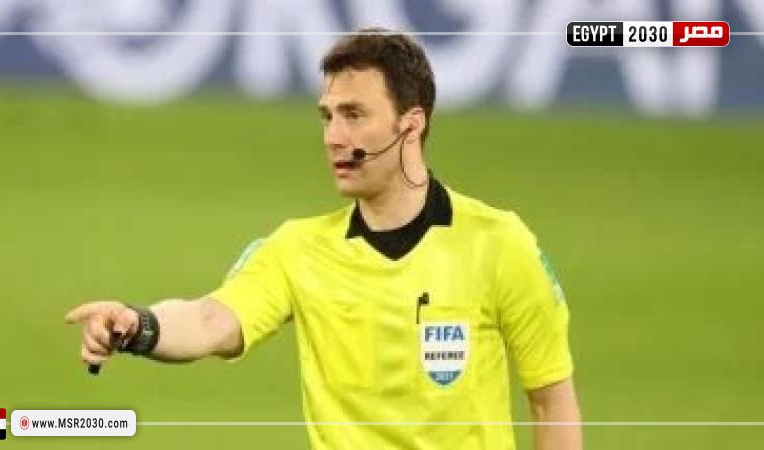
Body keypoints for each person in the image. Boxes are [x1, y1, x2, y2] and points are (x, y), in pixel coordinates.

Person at [65, 28, 582, 450]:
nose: (333, 137)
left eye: (354, 115)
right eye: (328, 116)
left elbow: (551, 402)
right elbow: (209, 320)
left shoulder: (500, 244)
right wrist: (139, 326)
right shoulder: (296, 250)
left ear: (410, 125)